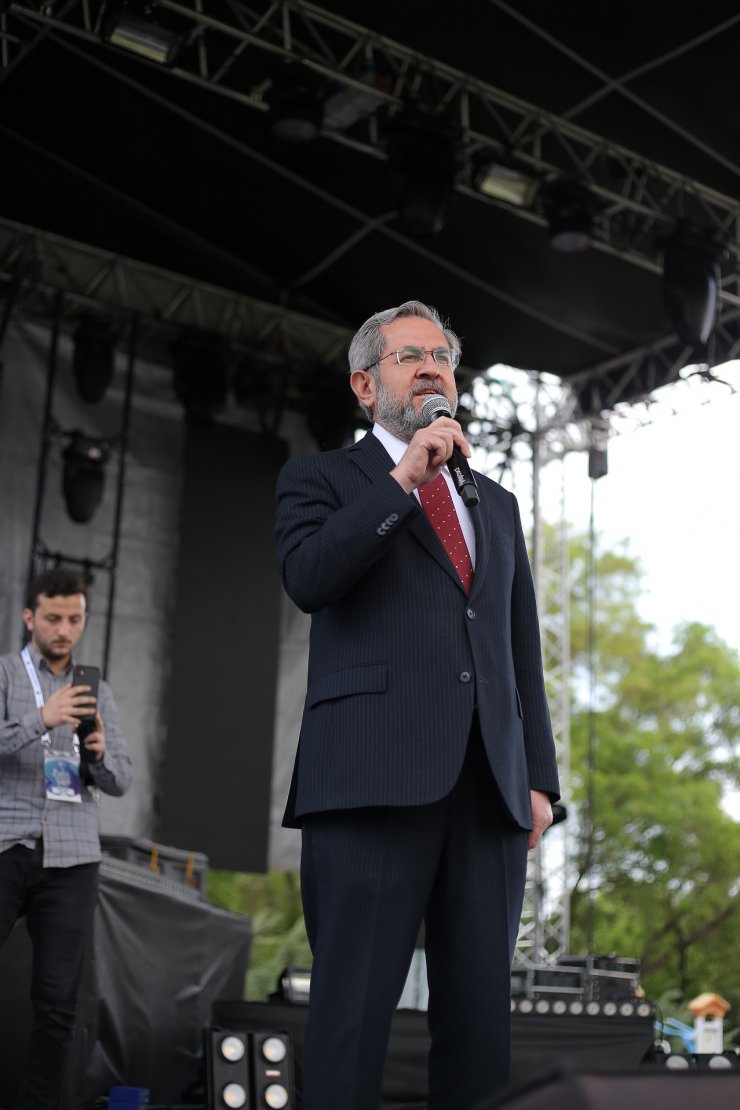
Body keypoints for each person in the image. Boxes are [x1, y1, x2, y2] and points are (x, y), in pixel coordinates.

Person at [275, 300, 560, 1110]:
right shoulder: (321, 478)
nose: (432, 366)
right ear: (367, 385)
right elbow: (310, 579)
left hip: (487, 791)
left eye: (442, 355)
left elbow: (518, 648)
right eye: (409, 356)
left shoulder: (495, 504)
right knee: (351, 1020)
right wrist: (406, 479)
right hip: (369, 782)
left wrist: (538, 779)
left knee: (478, 1034)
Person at [0, 567, 132, 1110]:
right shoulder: (7, 676)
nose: (64, 630)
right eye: (53, 618)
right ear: (30, 617)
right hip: (7, 846)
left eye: (74, 619)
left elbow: (122, 779)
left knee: (57, 1003)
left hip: (73, 859)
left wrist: (97, 755)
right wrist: (40, 718)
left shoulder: (95, 689)